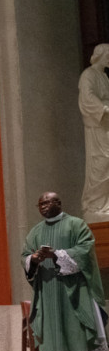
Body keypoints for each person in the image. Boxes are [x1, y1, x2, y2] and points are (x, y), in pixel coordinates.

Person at [22, 192, 109, 351]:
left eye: (47, 202)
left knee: (78, 328)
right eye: (41, 204)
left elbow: (85, 251)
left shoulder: (76, 225)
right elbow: (25, 255)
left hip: (76, 289)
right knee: (57, 331)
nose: (44, 207)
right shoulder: (35, 232)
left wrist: (56, 255)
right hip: (49, 290)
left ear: (59, 203)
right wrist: (33, 259)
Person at [79, 44, 109, 223]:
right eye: (108, 55)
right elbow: (87, 97)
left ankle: (105, 204)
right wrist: (103, 109)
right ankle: (94, 205)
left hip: (106, 125)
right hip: (97, 126)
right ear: (100, 55)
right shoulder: (88, 75)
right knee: (100, 162)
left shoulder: (104, 77)